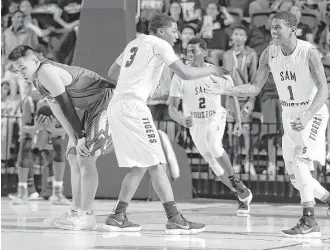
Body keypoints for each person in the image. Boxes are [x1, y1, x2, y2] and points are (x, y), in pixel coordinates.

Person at [209, 11, 330, 237]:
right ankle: (327, 198)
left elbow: (324, 89)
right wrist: (224, 89)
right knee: (295, 178)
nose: (273, 31)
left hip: (311, 113)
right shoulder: (269, 53)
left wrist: (306, 116)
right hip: (289, 113)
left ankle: (309, 219)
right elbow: (255, 87)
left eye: (278, 27)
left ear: (293, 30)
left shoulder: (309, 52)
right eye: (272, 27)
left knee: (302, 163)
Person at [106, 13, 224, 234]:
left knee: (140, 166)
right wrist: (213, 69)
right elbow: (187, 74)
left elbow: (112, 72)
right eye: (174, 30)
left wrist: (134, 82)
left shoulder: (135, 42)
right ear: (161, 31)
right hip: (134, 106)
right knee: (158, 163)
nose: (177, 35)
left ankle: (118, 215)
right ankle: (175, 219)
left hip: (118, 104)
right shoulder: (160, 44)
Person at [8, 45, 114, 230]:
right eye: (17, 71)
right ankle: (75, 212)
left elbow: (66, 104)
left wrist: (80, 136)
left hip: (105, 100)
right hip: (88, 108)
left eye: (23, 68)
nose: (20, 73)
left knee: (86, 156)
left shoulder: (45, 71)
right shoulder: (37, 79)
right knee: (73, 155)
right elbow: (58, 110)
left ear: (34, 61)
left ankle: (87, 216)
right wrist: (73, 137)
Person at [168, 37, 253, 215]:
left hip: (215, 116)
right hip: (196, 124)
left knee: (215, 146)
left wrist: (238, 120)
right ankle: (241, 195)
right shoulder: (180, 75)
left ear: (204, 53)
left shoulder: (216, 72)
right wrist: (182, 120)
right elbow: (171, 109)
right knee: (214, 166)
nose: (189, 54)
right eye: (188, 50)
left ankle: (235, 179)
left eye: (194, 50)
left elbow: (232, 95)